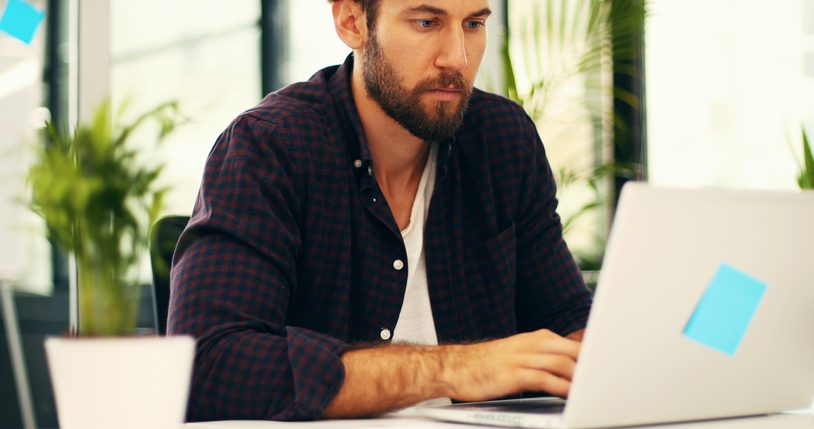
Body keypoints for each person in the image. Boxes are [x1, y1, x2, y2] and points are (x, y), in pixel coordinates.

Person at [168, 0, 593, 422]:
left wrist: (618, 357)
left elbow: (565, 320)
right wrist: (451, 368)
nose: (458, 58)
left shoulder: (502, 139)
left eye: (474, 23)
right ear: (352, 22)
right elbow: (207, 367)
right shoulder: (271, 147)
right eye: (427, 22)